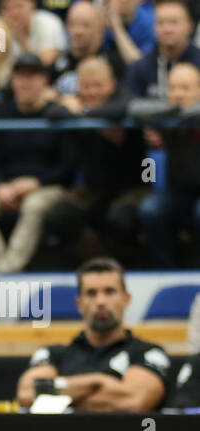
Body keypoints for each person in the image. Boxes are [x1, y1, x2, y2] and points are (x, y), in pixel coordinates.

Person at [0, 54, 78, 273]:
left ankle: (4, 273)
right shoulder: (1, 116)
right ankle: (5, 270)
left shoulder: (59, 116)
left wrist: (36, 182)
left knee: (34, 206)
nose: (25, 83)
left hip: (47, 186)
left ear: (44, 81)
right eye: (20, 77)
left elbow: (68, 167)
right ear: (13, 81)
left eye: (32, 77)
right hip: (7, 185)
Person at [16, 257, 171, 410]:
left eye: (109, 292)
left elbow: (133, 401)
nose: (100, 302)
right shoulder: (53, 354)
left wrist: (58, 393)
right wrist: (97, 382)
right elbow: (26, 394)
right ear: (79, 303)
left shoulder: (149, 353)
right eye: (91, 293)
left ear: (126, 299)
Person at [45, 56, 145, 266]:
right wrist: (79, 111)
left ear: (112, 84)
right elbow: (53, 112)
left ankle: (127, 266)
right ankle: (100, 263)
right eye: (86, 86)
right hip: (92, 188)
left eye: (98, 85)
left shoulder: (124, 98)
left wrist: (83, 112)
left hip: (133, 186)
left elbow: (122, 109)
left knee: (121, 218)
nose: (92, 92)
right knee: (58, 216)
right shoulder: (76, 103)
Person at [137, 61, 200, 267]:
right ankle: (165, 271)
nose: (178, 94)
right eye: (173, 88)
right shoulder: (167, 117)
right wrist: (170, 116)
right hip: (179, 193)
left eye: (185, 88)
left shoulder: (173, 117)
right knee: (150, 209)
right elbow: (136, 108)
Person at [122, 0, 200, 99]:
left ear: (190, 26)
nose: (167, 29)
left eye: (174, 22)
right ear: (154, 27)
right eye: (161, 23)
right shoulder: (139, 69)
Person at [0, 0, 68, 65]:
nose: (14, 13)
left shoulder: (49, 22)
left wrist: (21, 38)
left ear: (32, 5)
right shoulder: (0, 28)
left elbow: (45, 63)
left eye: (18, 6)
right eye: (8, 9)